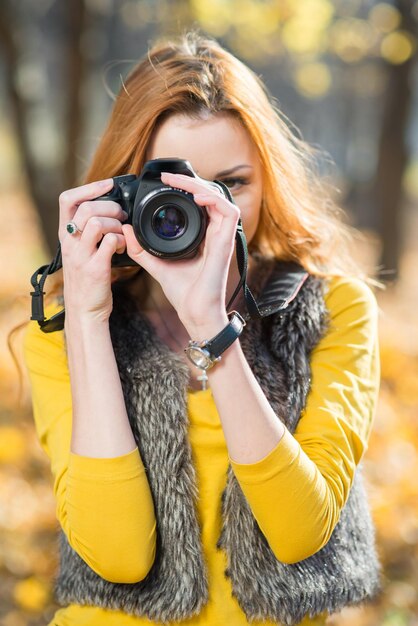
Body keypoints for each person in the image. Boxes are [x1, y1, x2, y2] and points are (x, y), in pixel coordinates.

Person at [23, 32, 381, 626]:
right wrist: (87, 320)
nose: (206, 213)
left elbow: (299, 533)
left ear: (269, 178)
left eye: (231, 185)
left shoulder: (333, 310)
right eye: (171, 193)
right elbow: (118, 558)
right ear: (121, 191)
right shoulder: (60, 333)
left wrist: (212, 328)